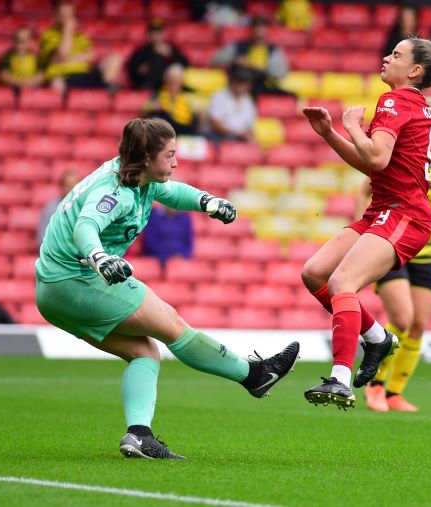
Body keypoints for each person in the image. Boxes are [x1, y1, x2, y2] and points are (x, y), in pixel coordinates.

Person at [34, 118, 299, 459]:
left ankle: (139, 435)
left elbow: (174, 192)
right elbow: (86, 227)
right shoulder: (113, 191)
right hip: (77, 280)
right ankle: (255, 376)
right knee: (173, 325)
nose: (176, 162)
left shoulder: (140, 179)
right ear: (146, 157)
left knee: (145, 353)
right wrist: (100, 258)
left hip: (52, 292)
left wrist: (207, 201)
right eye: (170, 154)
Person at [299, 18, 431, 410]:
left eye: (396, 54)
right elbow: (376, 168)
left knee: (341, 282)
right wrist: (331, 134)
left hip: (403, 214)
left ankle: (340, 378)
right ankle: (379, 338)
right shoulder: (414, 104)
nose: (386, 57)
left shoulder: (395, 101)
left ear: (415, 70)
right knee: (314, 272)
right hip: (385, 209)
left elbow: (377, 157)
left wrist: (351, 126)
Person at [362, 97, 431, 413]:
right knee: (401, 318)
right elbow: (368, 186)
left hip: (424, 250)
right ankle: (374, 384)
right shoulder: (406, 157)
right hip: (394, 244)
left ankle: (394, 393)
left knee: (419, 325)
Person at [39, 2, 123, 92]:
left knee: (115, 58)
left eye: (69, 16)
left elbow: (90, 57)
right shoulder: (48, 35)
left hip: (84, 74)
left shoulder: (81, 36)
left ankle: (107, 89)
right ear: (56, 17)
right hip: (63, 76)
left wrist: (66, 60)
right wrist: (67, 30)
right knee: (56, 83)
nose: (67, 20)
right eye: (63, 16)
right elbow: (63, 53)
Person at [210, 16, 290, 96]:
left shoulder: (273, 50)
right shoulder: (238, 46)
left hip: (262, 88)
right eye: (256, 28)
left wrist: (254, 67)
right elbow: (214, 60)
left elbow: (281, 74)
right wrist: (235, 61)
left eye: (262, 29)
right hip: (238, 88)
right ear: (251, 30)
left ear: (267, 31)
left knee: (290, 97)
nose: (259, 32)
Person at [127, 19, 190, 91]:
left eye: (158, 33)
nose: (155, 36)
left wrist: (169, 55)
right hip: (148, 87)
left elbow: (185, 64)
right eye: (153, 33)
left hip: (168, 88)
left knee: (176, 69)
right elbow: (134, 69)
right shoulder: (141, 51)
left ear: (163, 34)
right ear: (148, 35)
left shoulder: (170, 49)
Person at [144, 63, 199, 136]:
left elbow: (195, 117)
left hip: (184, 131)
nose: (175, 83)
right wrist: (153, 106)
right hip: (164, 132)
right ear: (166, 80)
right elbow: (144, 111)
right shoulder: (157, 95)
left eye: (177, 80)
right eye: (172, 79)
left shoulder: (188, 96)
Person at [207, 65, 257, 142]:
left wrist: (249, 137)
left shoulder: (248, 101)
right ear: (232, 81)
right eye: (239, 82)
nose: (241, 86)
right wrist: (236, 133)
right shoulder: (219, 96)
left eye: (244, 83)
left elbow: (250, 127)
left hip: (240, 139)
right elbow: (215, 125)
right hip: (220, 137)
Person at [37, 168, 79, 247]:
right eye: (69, 186)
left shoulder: (83, 208)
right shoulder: (50, 210)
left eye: (75, 185)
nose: (72, 190)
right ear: (61, 187)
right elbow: (42, 240)